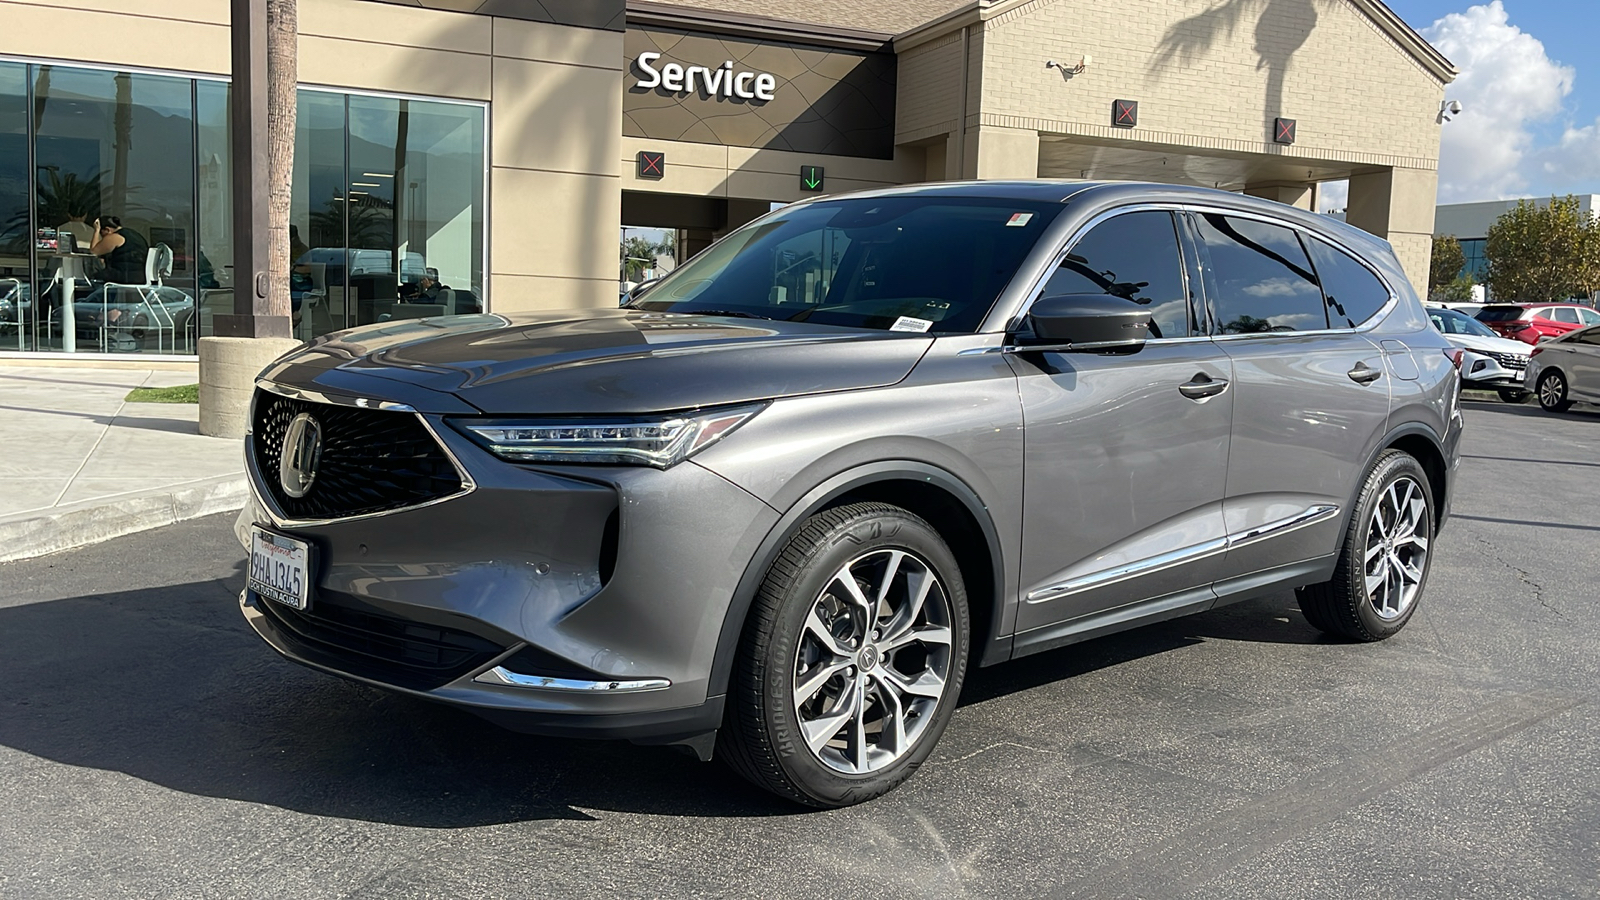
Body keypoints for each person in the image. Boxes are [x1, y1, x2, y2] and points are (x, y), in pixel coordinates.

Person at [89, 215, 149, 285]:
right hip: (141, 277)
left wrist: (96, 230)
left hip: (123, 276)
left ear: (107, 230)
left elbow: (93, 251)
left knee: (94, 278)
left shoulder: (115, 237)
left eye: (101, 234)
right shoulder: (135, 235)